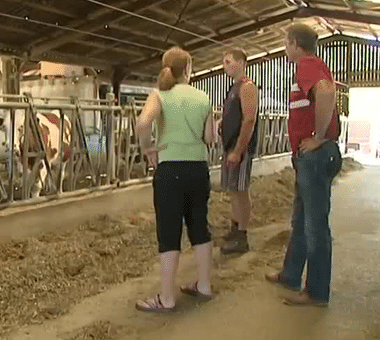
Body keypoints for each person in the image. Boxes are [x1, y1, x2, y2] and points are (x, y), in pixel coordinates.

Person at [266, 23, 342, 307]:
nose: (285, 48)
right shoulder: (311, 66)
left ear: (296, 43)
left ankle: (316, 291)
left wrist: (319, 137)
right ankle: (290, 274)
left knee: (314, 226)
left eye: (286, 43)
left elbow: (325, 91)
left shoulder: (307, 65)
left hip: (314, 156)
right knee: (300, 220)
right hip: (307, 158)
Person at [134, 46, 215, 313]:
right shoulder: (203, 97)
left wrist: (148, 148)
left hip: (170, 170)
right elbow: (210, 138)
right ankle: (204, 285)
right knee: (199, 226)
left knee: (169, 232)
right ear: (189, 69)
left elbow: (143, 123)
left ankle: (167, 298)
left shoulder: (160, 94)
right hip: (198, 168)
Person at [218, 49, 259, 255]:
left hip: (239, 148)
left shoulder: (247, 86)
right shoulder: (234, 87)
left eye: (228, 62)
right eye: (224, 63)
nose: (225, 66)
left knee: (241, 190)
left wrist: (238, 150)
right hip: (230, 146)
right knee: (233, 189)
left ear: (242, 62)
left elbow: (249, 119)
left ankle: (242, 236)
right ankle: (235, 228)